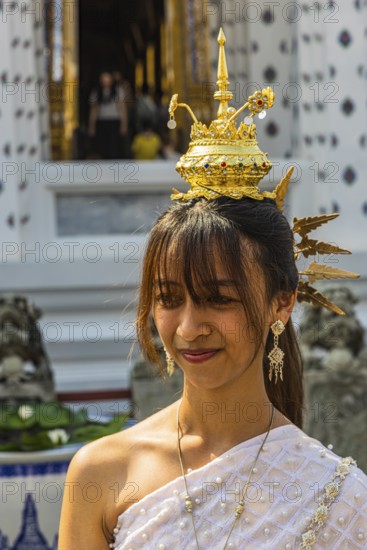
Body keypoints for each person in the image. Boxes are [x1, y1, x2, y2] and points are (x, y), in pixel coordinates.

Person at [59, 30, 367, 550]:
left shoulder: (342, 499)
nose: (187, 328)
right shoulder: (100, 475)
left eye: (219, 298)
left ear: (282, 302)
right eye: (168, 298)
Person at [88, 71, 128, 159]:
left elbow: (122, 109)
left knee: (114, 146)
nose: (105, 80)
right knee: (102, 146)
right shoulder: (96, 92)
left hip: (115, 121)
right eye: (103, 78)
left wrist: (124, 125)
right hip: (101, 121)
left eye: (107, 78)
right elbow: (93, 111)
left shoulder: (118, 91)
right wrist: (91, 126)